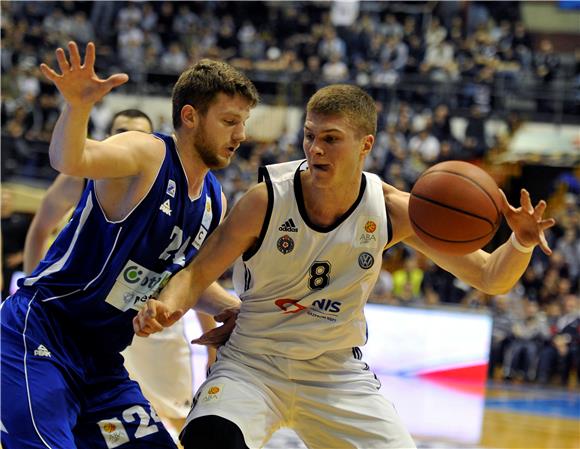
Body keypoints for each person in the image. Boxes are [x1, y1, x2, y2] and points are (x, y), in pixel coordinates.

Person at [134, 84, 555, 449]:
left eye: (331, 139)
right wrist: (166, 305)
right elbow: (195, 273)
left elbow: (490, 277)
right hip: (252, 363)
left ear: (365, 145)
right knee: (209, 439)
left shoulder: (394, 211)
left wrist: (520, 241)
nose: (315, 148)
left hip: (335, 371)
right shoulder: (265, 201)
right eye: (310, 136)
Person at [0, 41, 258, 449]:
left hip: (102, 362)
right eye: (229, 121)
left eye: (243, 122)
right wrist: (77, 107)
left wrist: (234, 310)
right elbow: (71, 158)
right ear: (190, 117)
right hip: (42, 335)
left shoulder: (213, 198)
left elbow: (186, 279)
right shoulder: (146, 153)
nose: (241, 135)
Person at [21, 108, 218, 440]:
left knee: (177, 415)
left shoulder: (188, 189)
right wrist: (29, 295)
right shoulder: (83, 173)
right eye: (121, 130)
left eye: (138, 133)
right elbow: (39, 229)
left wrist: (213, 341)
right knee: (68, 419)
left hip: (145, 319)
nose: (129, 138)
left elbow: (193, 277)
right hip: (81, 318)